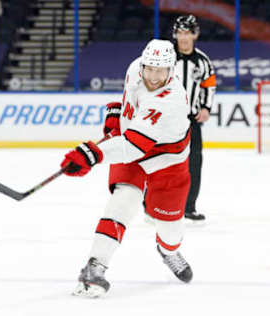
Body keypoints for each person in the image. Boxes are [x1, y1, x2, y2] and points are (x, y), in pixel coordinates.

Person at [60, 39, 193, 298]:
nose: (153, 77)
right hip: (134, 148)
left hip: (167, 161)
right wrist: (117, 117)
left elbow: (133, 146)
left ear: (172, 71)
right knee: (123, 202)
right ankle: (95, 267)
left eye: (161, 71)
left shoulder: (170, 100)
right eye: (150, 69)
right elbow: (130, 104)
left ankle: (168, 251)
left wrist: (91, 154)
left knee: (170, 230)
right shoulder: (135, 69)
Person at [172, 15, 216, 222]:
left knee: (194, 163)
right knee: (160, 161)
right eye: (180, 33)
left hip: (192, 120)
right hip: (167, 119)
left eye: (187, 32)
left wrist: (206, 107)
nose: (183, 37)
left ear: (195, 34)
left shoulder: (203, 61)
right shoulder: (166, 56)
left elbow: (209, 86)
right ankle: (151, 205)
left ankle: (189, 207)